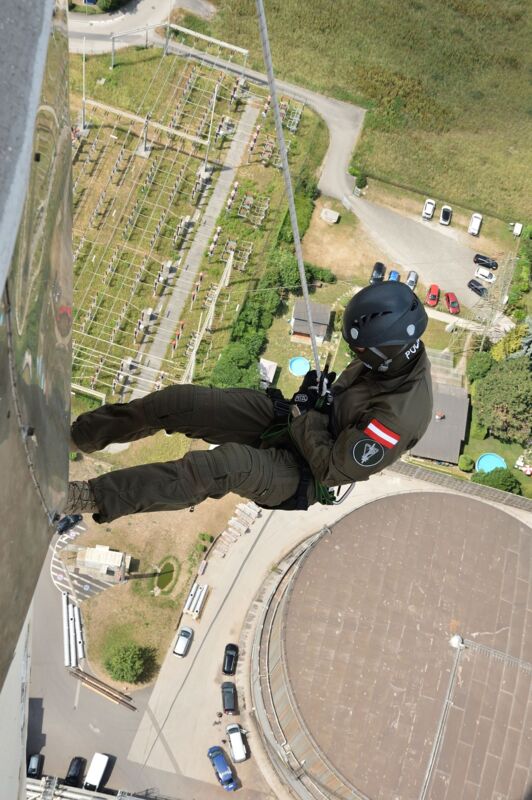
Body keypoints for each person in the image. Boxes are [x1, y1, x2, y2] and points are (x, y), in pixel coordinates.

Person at [65, 282, 432, 523]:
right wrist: (316, 399)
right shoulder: (387, 356)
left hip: (303, 472)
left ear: (386, 354)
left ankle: (88, 497)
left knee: (218, 467)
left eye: (359, 352)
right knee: (178, 402)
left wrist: (308, 412)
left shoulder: (398, 418)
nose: (354, 355)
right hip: (295, 421)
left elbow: (332, 470)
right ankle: (78, 436)